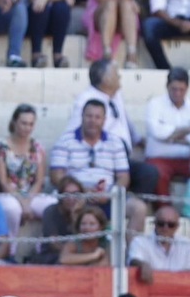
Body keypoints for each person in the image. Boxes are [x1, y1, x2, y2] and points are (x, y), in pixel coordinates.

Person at [65, 59, 158, 201]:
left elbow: (123, 118)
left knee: (149, 173)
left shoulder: (116, 94)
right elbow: (74, 134)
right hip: (101, 159)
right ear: (105, 79)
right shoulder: (84, 101)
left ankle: (128, 206)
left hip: (122, 159)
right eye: (116, 73)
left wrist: (138, 139)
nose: (119, 77)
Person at [51, 99, 146, 235]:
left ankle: (131, 254)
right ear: (82, 116)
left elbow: (123, 177)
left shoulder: (115, 142)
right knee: (72, 204)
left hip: (107, 197)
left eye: (97, 117)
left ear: (104, 119)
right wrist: (81, 189)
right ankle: (77, 251)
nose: (93, 120)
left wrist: (109, 194)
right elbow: (56, 175)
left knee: (139, 208)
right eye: (89, 116)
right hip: (77, 196)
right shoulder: (65, 141)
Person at [0, 104, 56, 248]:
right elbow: (2, 181)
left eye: (31, 124)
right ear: (14, 122)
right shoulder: (0, 147)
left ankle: (43, 247)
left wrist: (27, 201)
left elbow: (39, 181)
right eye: (23, 123)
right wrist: (22, 202)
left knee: (53, 206)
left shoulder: (37, 147)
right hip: (8, 194)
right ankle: (9, 250)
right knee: (12, 209)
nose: (27, 128)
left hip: (31, 195)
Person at [144, 68, 190, 197]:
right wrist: (188, 130)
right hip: (159, 158)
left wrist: (168, 136)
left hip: (189, 158)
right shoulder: (154, 104)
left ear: (187, 88)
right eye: (174, 89)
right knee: (156, 172)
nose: (177, 93)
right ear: (167, 86)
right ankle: (165, 212)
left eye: (181, 89)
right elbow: (156, 132)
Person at [129, 203, 190, 280]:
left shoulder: (185, 244)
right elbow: (134, 260)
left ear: (177, 226)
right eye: (161, 223)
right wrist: (142, 265)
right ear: (154, 223)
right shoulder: (140, 242)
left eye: (171, 224)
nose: (165, 228)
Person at [88, 0, 139, 68]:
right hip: (100, 9)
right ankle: (106, 53)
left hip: (121, 12)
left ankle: (131, 53)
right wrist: (119, 1)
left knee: (127, 5)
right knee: (111, 4)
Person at [26, 0, 74, 68]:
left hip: (53, 22)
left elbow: (70, 0)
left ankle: (57, 56)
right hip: (33, 21)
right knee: (40, 6)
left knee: (62, 7)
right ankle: (36, 55)